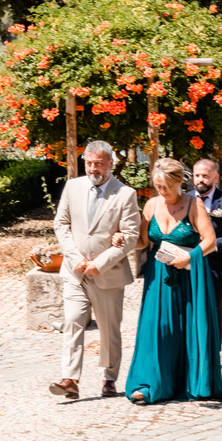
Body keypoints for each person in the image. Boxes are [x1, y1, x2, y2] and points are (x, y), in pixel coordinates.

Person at [124, 158, 222, 404]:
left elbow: (210, 241)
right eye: (158, 187)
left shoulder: (194, 204)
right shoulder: (150, 205)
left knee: (187, 330)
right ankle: (149, 385)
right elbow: (142, 242)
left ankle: (191, 383)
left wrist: (189, 257)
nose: (162, 192)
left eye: (166, 187)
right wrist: (123, 236)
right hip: (158, 279)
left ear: (180, 182)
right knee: (155, 330)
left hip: (190, 279)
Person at [49, 141, 142, 400]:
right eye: (89, 163)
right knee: (72, 321)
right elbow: (61, 224)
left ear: (111, 163)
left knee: (109, 329)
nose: (93, 168)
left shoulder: (125, 194)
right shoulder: (72, 186)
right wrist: (74, 256)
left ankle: (109, 378)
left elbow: (131, 237)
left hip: (107, 274)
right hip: (75, 271)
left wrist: (98, 264)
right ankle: (70, 379)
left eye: (99, 163)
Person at [190, 159, 222, 340]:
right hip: (188, 262)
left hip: (216, 264)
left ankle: (214, 351)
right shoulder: (187, 199)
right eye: (197, 176)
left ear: (215, 177)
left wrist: (213, 244)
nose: (200, 180)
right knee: (189, 308)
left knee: (214, 309)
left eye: (205, 176)